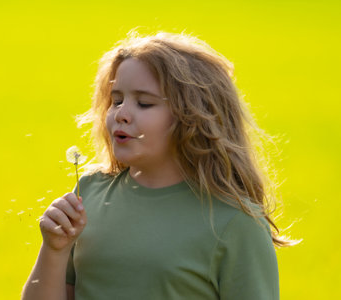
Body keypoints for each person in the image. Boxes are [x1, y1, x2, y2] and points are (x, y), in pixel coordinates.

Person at [21, 30, 295, 300]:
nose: (121, 114)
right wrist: (54, 249)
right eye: (116, 100)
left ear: (193, 117)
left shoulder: (234, 223)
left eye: (144, 103)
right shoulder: (88, 194)